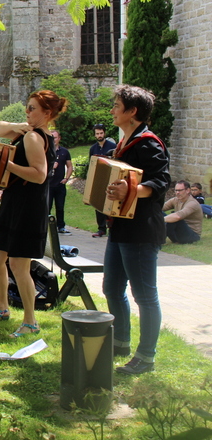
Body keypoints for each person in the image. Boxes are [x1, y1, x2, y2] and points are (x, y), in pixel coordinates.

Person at [0, 90, 66, 338]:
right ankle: (2, 307)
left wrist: (5, 164)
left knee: (19, 264)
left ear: (47, 113)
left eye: (32, 109)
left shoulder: (34, 138)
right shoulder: (28, 132)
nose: (27, 112)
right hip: (14, 202)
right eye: (27, 107)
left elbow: (39, 175)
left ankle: (30, 321)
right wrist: (21, 125)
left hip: (29, 207)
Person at [103, 84, 170, 375]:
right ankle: (121, 342)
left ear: (132, 112)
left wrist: (130, 190)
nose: (112, 110)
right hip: (120, 229)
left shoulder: (148, 142)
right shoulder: (125, 141)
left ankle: (147, 356)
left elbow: (160, 182)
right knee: (111, 288)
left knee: (144, 295)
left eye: (117, 106)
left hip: (142, 232)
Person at [89, 123, 117, 238]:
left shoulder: (112, 146)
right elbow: (91, 164)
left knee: (111, 203)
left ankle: (112, 228)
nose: (99, 135)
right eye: (97, 134)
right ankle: (101, 229)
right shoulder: (93, 148)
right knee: (98, 203)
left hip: (110, 178)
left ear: (104, 133)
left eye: (101, 133)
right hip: (98, 179)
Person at [47, 130, 73, 235]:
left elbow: (70, 166)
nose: (54, 140)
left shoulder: (64, 152)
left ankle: (61, 226)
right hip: (48, 185)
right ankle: (46, 226)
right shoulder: (46, 152)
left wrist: (66, 178)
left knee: (60, 207)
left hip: (60, 185)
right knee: (47, 207)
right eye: (51, 138)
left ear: (59, 138)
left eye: (55, 137)